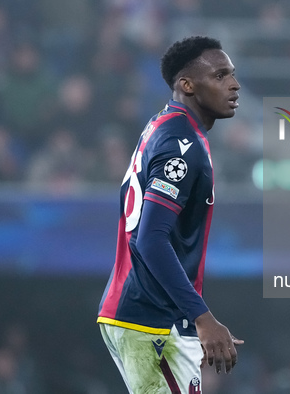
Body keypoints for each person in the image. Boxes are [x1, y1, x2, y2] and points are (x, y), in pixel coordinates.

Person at [97, 36, 242, 393]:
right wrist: (203, 317)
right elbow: (150, 238)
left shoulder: (164, 126)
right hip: (152, 320)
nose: (234, 84)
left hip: (141, 313)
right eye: (221, 75)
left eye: (232, 74)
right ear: (187, 85)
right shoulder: (183, 144)